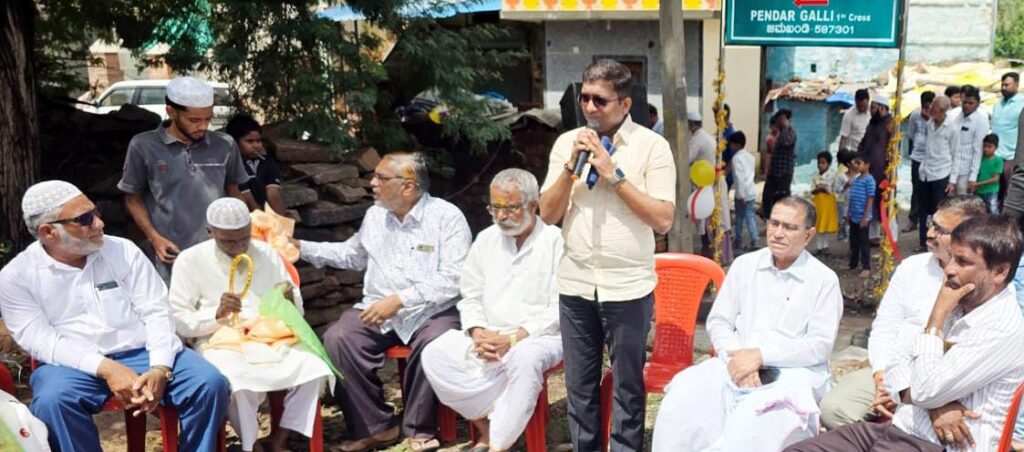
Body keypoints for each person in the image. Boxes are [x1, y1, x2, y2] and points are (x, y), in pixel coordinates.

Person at [0, 180, 229, 452]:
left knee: (209, 383)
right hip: (71, 366)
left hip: (144, 352)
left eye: (95, 212)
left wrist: (160, 367)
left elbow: (156, 310)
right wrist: (107, 368)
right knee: (52, 401)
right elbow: (42, 341)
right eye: (84, 219)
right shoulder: (17, 277)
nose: (99, 224)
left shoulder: (122, 250)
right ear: (48, 232)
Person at [787, 215, 1024, 452]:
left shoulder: (1001, 327)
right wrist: (935, 404)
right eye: (951, 256)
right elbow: (898, 358)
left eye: (962, 262)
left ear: (1000, 272)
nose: (949, 269)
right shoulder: (959, 299)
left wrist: (935, 319)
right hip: (901, 427)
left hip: (937, 444)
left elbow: (925, 391)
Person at [539, 59, 676, 452]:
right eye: (584, 97)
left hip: (628, 288)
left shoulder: (653, 147)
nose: (589, 107)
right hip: (576, 285)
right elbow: (547, 214)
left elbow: (663, 219)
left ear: (625, 104)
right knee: (579, 388)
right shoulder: (568, 144)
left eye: (600, 100)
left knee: (628, 388)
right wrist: (570, 169)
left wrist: (614, 175)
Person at [295, 151, 471, 452]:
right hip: (377, 308)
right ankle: (377, 428)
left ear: (408, 186)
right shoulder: (375, 215)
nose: (372, 183)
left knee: (435, 342)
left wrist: (400, 300)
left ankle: (420, 429)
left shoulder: (446, 217)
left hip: (431, 311)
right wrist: (300, 246)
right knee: (339, 339)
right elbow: (352, 255)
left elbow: (455, 278)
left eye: (381, 177)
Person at [651, 197, 843, 451]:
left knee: (756, 423)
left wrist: (761, 356)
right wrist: (738, 358)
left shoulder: (823, 280)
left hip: (792, 373)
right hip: (734, 362)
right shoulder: (745, 265)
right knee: (684, 398)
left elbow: (819, 346)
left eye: (789, 227)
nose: (778, 233)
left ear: (808, 235)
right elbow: (719, 321)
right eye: (774, 223)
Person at [169, 198, 333, 452]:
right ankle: (253, 445)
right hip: (219, 340)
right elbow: (179, 320)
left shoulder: (266, 252)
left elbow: (294, 308)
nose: (238, 246)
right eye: (229, 241)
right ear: (210, 232)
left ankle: (280, 439)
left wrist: (288, 300)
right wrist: (217, 314)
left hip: (271, 335)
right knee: (233, 379)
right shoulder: (190, 260)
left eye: (244, 238)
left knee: (314, 368)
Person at [421, 169, 563, 452]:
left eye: (509, 208)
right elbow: (470, 295)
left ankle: (498, 445)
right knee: (434, 353)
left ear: (533, 205)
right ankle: (488, 427)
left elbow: (560, 307)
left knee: (525, 358)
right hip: (489, 336)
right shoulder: (486, 240)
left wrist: (514, 338)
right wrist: (478, 333)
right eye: (495, 208)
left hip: (540, 337)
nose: (500, 216)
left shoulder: (556, 242)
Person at [818, 196, 988, 430]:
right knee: (833, 409)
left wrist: (915, 393)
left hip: (943, 384)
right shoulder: (912, 268)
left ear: (968, 237)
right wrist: (881, 375)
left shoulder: (983, 282)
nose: (930, 234)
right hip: (891, 371)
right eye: (931, 224)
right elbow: (885, 327)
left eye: (941, 230)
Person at [118, 76, 250, 283]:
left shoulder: (225, 144)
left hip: (221, 251)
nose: (203, 126)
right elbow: (133, 199)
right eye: (194, 120)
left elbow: (234, 192)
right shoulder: (143, 146)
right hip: (173, 255)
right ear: (171, 112)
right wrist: (155, 238)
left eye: (208, 119)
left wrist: (243, 232)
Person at [225, 114, 288, 215]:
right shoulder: (232, 163)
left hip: (265, 214)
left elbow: (273, 193)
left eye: (258, 141)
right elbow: (247, 198)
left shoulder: (267, 162)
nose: (256, 145)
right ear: (234, 142)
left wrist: (281, 219)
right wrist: (261, 219)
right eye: (249, 141)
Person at [919, 95, 958, 252]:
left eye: (933, 108)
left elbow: (956, 154)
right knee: (924, 210)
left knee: (938, 211)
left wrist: (952, 181)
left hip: (942, 173)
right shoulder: (929, 124)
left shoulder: (952, 128)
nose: (930, 110)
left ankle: (937, 243)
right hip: (925, 172)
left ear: (942, 110)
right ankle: (923, 243)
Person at [857, 94, 893, 242]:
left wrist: (889, 170)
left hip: (882, 171)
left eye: (873, 108)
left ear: (882, 109)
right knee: (868, 199)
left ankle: (881, 236)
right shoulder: (872, 124)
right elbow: (863, 144)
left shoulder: (890, 125)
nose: (870, 111)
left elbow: (893, 150)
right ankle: (871, 235)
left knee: (881, 202)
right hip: (869, 170)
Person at [949, 85, 991, 196]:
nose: (966, 106)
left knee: (963, 202)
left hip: (966, 171)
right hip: (949, 167)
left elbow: (978, 150)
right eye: (964, 102)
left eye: (971, 103)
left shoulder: (981, 120)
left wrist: (973, 177)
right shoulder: (954, 115)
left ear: (978, 103)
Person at [905, 91, 936, 232]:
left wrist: (930, 120)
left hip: (932, 158)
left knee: (931, 190)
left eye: (930, 107)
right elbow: (911, 135)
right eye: (926, 107)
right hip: (918, 157)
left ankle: (931, 221)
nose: (927, 110)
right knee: (916, 188)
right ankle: (913, 219)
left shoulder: (937, 117)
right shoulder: (915, 115)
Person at [994, 73, 1024, 208]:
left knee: (1010, 194)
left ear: (1016, 85)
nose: (1003, 88)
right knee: (994, 194)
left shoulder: (1022, 105)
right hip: (995, 156)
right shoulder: (998, 104)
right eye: (1002, 85)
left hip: (1011, 157)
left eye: (1007, 85)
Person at [761, 109, 796, 219]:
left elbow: (786, 142)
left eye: (781, 119)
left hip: (784, 173)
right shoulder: (778, 133)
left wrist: (785, 126)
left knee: (783, 199)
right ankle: (769, 218)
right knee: (767, 198)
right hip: (774, 172)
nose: (779, 122)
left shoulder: (791, 132)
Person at [847, 154, 875, 277]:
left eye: (859, 163)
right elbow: (852, 198)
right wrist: (848, 214)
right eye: (855, 163)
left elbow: (870, 199)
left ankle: (866, 266)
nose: (856, 166)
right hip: (854, 215)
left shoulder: (869, 180)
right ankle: (852, 263)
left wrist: (865, 217)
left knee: (864, 242)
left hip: (863, 217)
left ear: (867, 165)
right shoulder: (855, 179)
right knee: (853, 241)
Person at [730, 132, 758, 251]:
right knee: (750, 216)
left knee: (740, 218)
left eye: (732, 144)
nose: (730, 146)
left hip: (742, 193)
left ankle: (738, 240)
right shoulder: (750, 157)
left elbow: (740, 178)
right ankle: (755, 239)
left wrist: (741, 194)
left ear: (737, 144)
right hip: (751, 191)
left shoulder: (736, 159)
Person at [811, 151, 839, 255]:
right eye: (819, 163)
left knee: (825, 225)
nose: (820, 165)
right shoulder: (815, 176)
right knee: (818, 224)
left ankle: (825, 246)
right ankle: (819, 246)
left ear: (829, 164)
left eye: (823, 163)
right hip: (818, 203)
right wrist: (818, 189)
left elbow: (834, 190)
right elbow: (812, 190)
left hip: (828, 204)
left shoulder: (832, 175)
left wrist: (824, 188)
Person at [977, 134, 1003, 213]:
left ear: (996, 147)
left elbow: (996, 179)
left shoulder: (998, 160)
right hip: (979, 191)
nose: (986, 149)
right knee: (979, 211)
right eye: (984, 146)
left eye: (989, 147)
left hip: (991, 191)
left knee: (993, 210)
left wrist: (977, 184)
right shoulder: (979, 158)